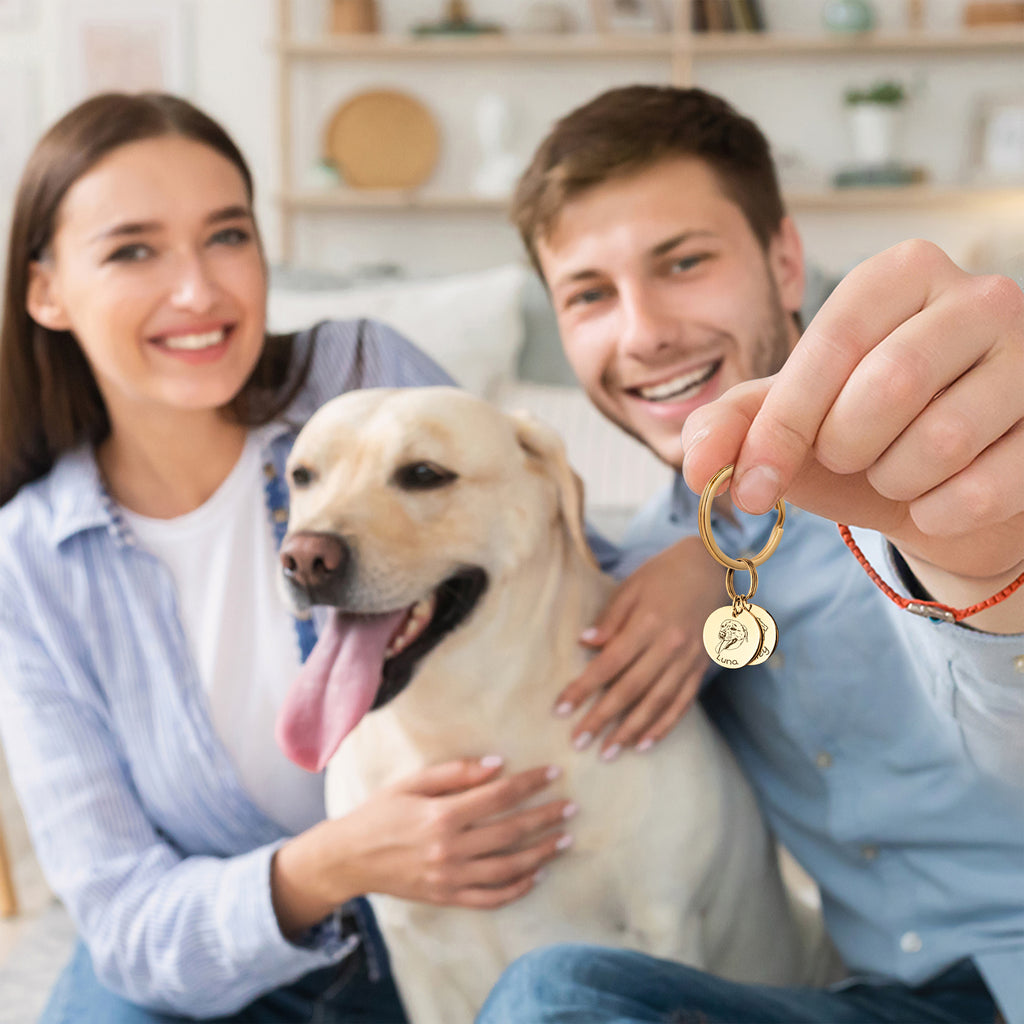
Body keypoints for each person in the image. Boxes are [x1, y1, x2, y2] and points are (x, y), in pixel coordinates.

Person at [0, 91, 604, 1024]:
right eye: (133, 250)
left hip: (443, 933)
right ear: (45, 289)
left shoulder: (361, 379)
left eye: (228, 236)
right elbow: (124, 918)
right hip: (223, 956)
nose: (199, 291)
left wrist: (693, 565)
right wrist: (339, 861)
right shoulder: (31, 557)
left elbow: (552, 552)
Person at [477, 85, 1024, 1024]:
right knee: (557, 996)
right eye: (589, 295)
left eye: (683, 262)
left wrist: (985, 567)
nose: (642, 331)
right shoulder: (634, 562)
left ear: (783, 262)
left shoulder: (969, 447)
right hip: (882, 1002)